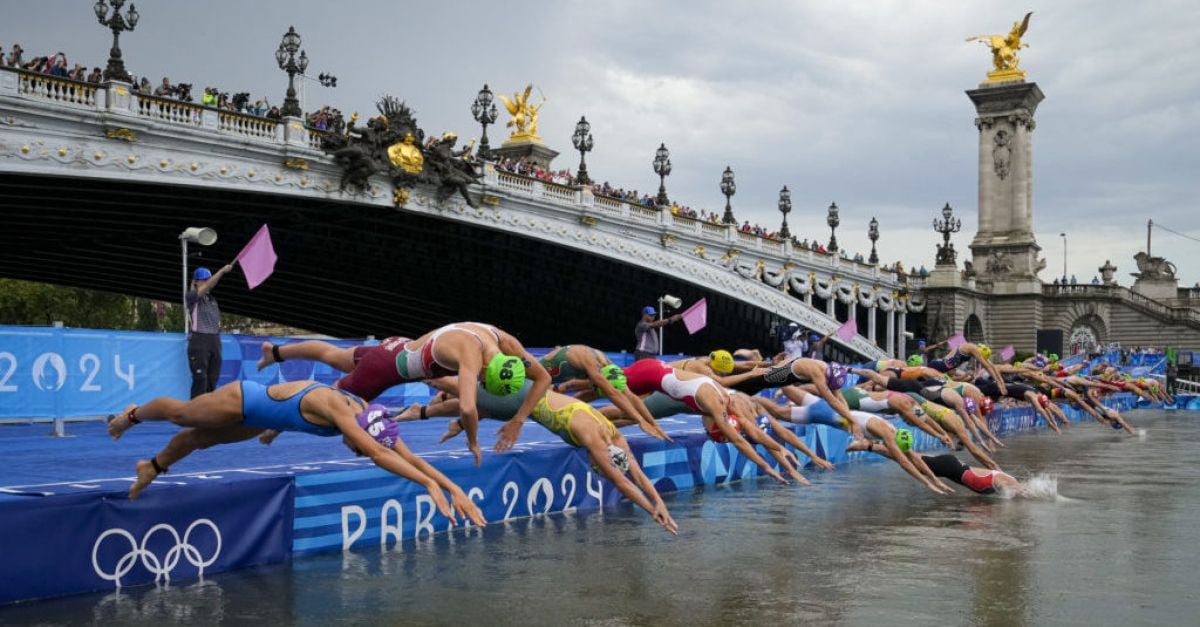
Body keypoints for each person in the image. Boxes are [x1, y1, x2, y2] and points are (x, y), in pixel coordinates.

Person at [104, 380, 486, 529]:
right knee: (181, 414)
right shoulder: (344, 414)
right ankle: (132, 415)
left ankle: (152, 467)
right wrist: (426, 487)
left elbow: (405, 455)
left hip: (266, 417)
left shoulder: (372, 415)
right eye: (356, 449)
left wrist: (452, 488)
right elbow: (377, 454)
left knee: (200, 440)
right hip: (244, 398)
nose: (354, 452)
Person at [257, 322, 550, 465]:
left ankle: (275, 352)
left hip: (395, 346)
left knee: (336, 356)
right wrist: (473, 442)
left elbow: (544, 377)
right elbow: (469, 409)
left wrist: (519, 420)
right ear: (486, 371)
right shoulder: (472, 359)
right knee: (332, 405)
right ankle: (275, 424)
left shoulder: (504, 342)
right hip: (386, 369)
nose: (480, 384)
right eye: (484, 383)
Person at [426, 378, 679, 534]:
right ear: (600, 460)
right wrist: (651, 510)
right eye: (597, 467)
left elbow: (636, 473)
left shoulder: (614, 437)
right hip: (522, 399)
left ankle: (446, 416)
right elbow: (622, 482)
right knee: (447, 383)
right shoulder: (594, 440)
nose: (593, 466)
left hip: (530, 395)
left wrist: (660, 503)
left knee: (475, 403)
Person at [185, 265, 234, 398]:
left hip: (214, 340)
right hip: (199, 340)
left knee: (212, 380)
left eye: (208, 279)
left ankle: (208, 412)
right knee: (200, 379)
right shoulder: (192, 297)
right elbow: (207, 286)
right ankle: (195, 412)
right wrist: (222, 271)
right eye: (204, 279)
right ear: (195, 282)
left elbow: (210, 285)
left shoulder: (213, 301)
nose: (207, 282)